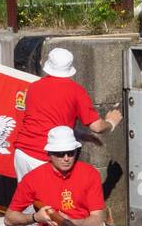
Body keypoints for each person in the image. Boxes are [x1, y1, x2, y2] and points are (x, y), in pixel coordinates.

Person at [4, 126, 142, 226]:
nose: (66, 158)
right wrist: (36, 217)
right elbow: (9, 219)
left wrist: (72, 223)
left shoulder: (90, 173)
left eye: (70, 153)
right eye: (60, 154)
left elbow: (97, 220)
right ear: (49, 154)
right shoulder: (32, 178)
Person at [12, 47, 122, 182]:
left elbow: (45, 121)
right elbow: (97, 126)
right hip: (46, 156)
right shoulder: (76, 91)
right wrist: (111, 122)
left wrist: (79, 135)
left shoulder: (34, 87)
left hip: (22, 153)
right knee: (51, 201)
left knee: (27, 200)